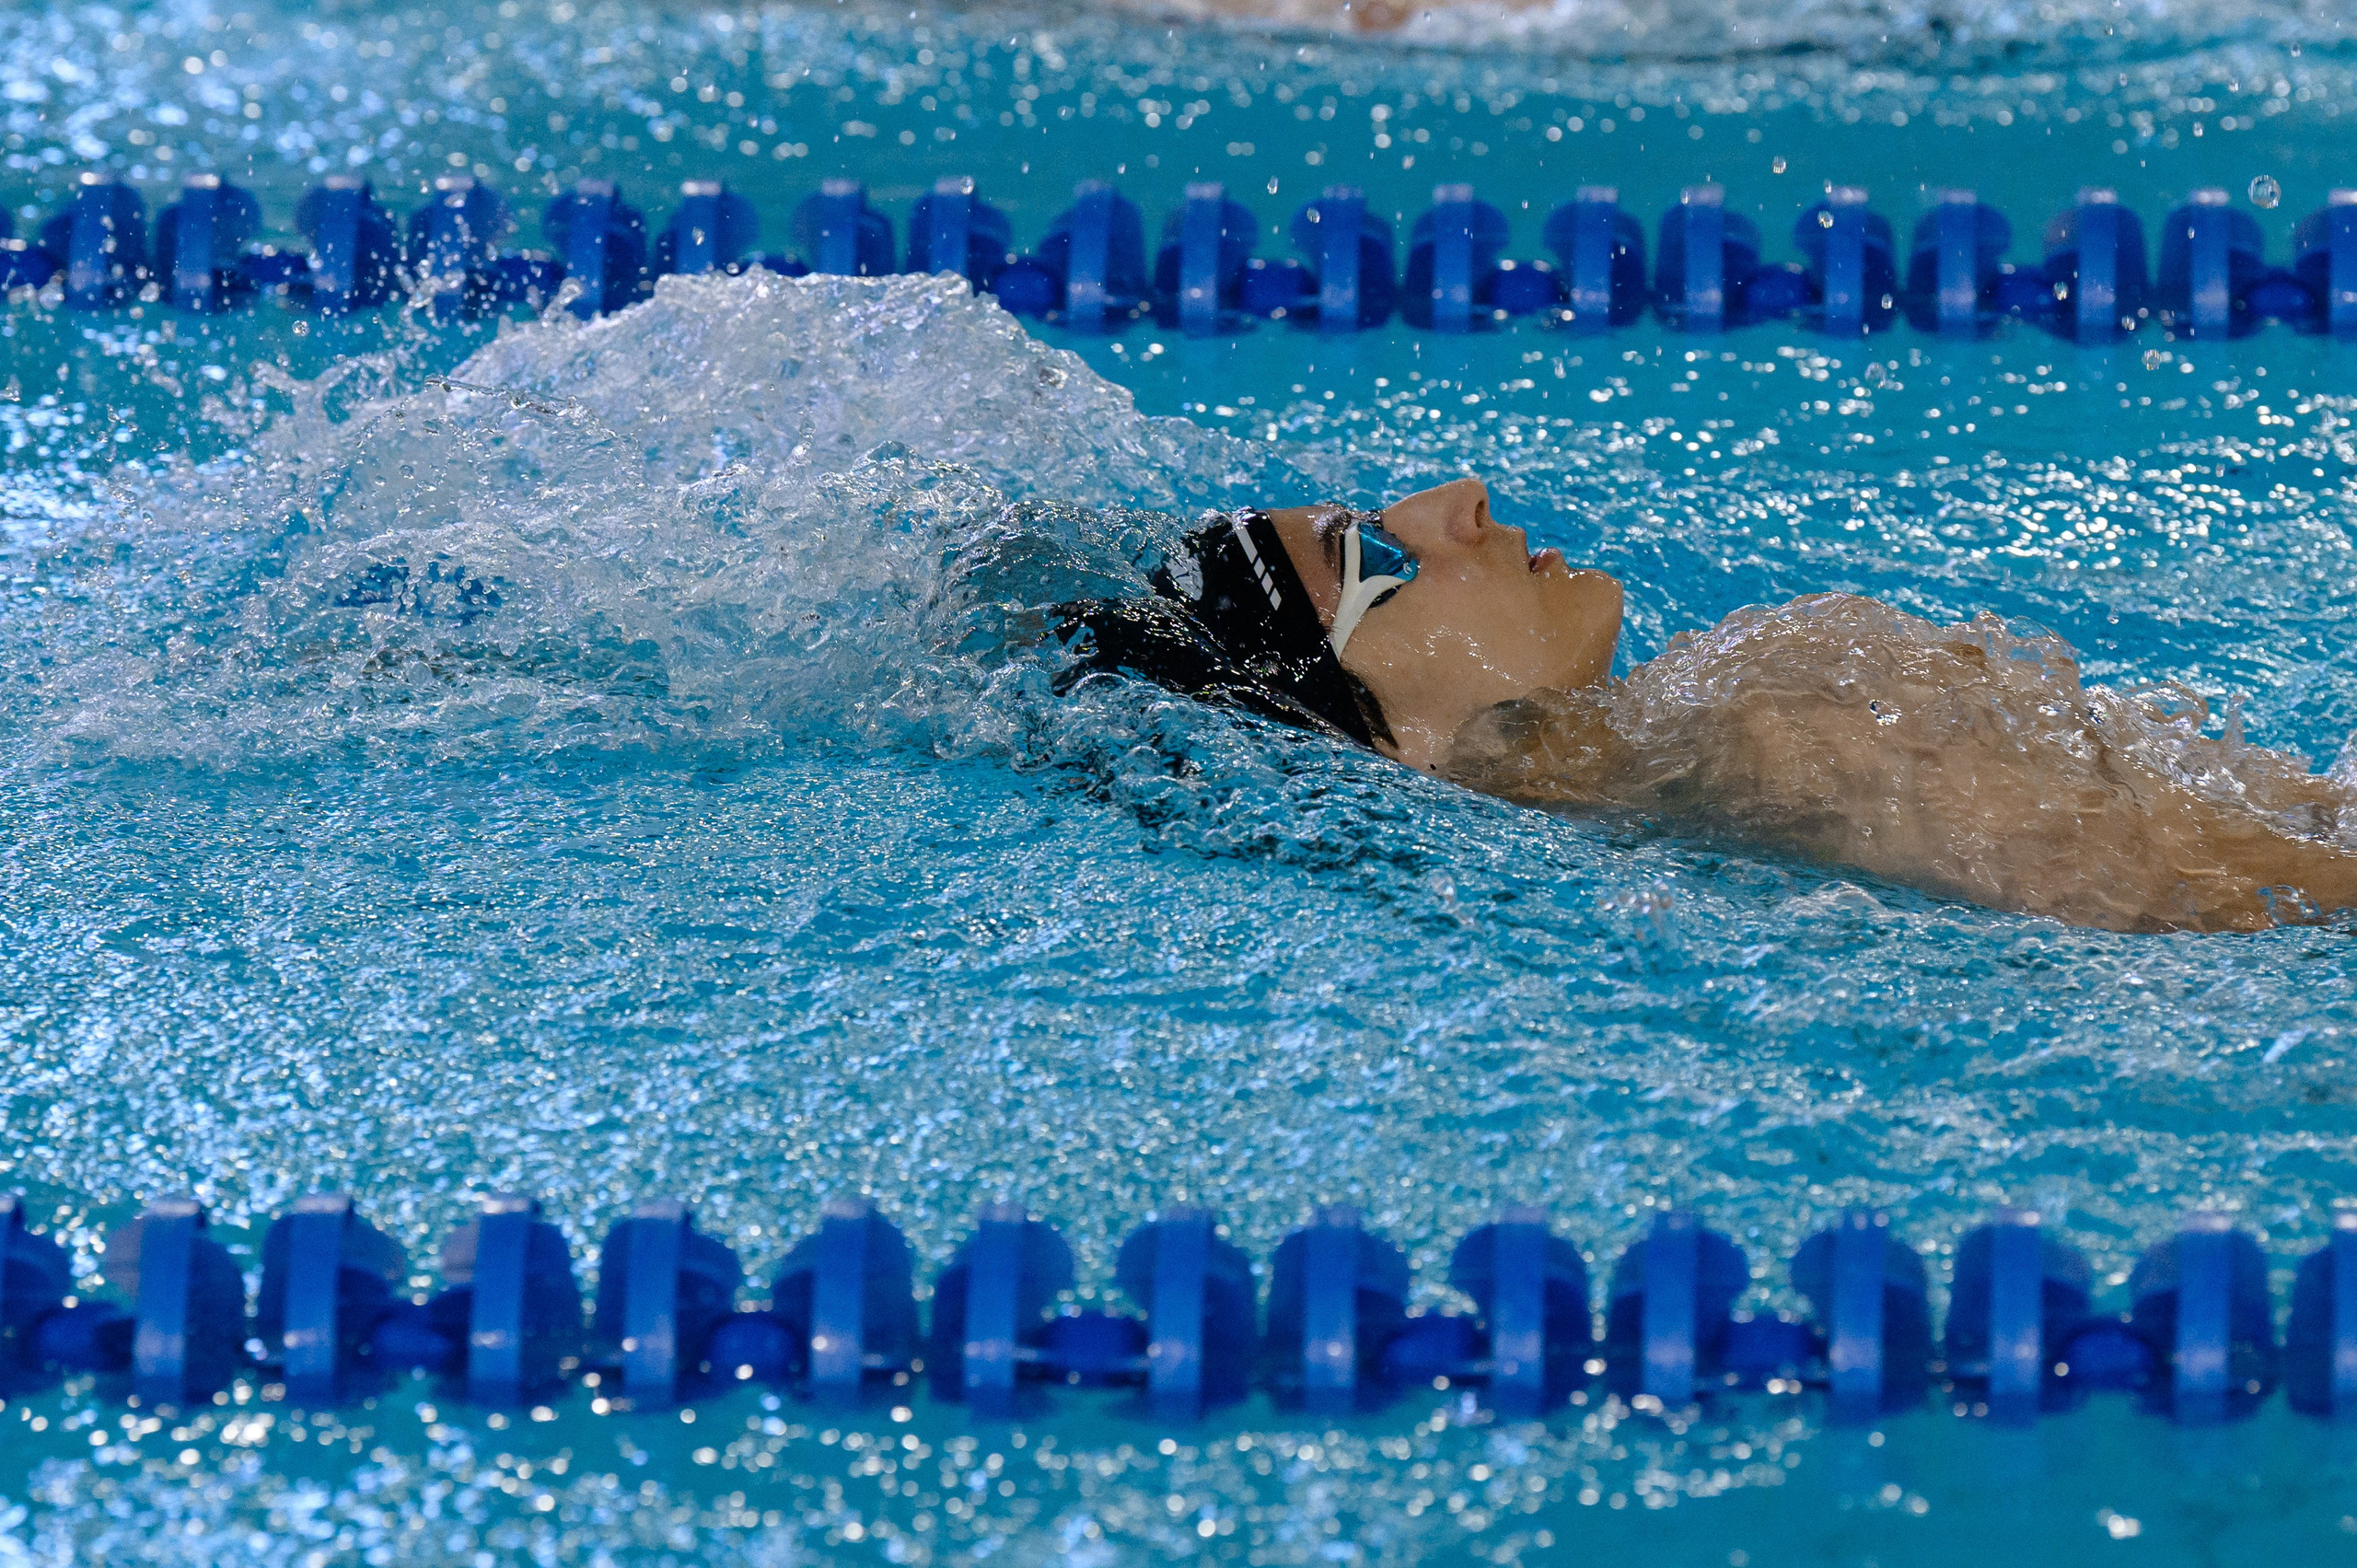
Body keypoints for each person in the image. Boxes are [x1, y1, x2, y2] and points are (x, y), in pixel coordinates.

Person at [1058, 476, 2357, 933]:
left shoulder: (1713, 723)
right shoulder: (1769, 746)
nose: (1452, 503)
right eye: (1381, 570)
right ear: (1397, 748)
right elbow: (2258, 895)